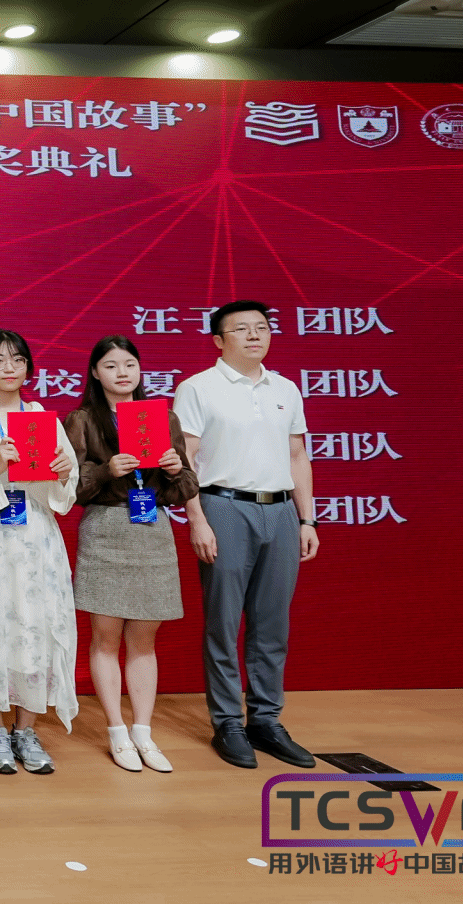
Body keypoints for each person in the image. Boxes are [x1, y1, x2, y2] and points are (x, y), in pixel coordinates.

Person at [174, 300, 319, 770]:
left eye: (261, 327)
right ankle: (227, 723)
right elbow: (186, 458)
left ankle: (266, 720)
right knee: (223, 620)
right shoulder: (198, 388)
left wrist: (307, 519)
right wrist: (197, 518)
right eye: (241, 329)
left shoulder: (285, 389)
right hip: (224, 506)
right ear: (219, 340)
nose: (254, 335)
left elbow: (297, 456)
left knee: (272, 623)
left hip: (280, 510)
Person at [65, 335, 199, 773]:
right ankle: (117, 732)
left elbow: (186, 488)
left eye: (129, 364)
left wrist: (175, 470)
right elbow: (69, 489)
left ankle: (144, 732)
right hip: (105, 530)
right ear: (95, 372)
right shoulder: (83, 419)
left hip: (152, 530)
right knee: (105, 639)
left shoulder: (164, 418)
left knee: (143, 642)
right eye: (110, 365)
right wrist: (107, 471)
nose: (122, 373)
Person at [0, 328, 80, 775]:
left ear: (28, 368)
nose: (9, 368)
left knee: (37, 628)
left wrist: (62, 472)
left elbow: (66, 490)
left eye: (18, 360)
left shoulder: (42, 418)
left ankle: (27, 730)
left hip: (36, 541)